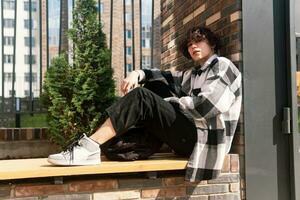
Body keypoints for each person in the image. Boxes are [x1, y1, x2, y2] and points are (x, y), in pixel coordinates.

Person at [47, 26, 242, 182]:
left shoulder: (223, 66)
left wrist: (170, 102)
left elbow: (206, 106)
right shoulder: (192, 74)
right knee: (151, 88)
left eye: (198, 41)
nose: (193, 46)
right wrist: (137, 73)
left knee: (143, 97)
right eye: (190, 44)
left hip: (204, 140)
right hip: (190, 135)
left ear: (212, 43)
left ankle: (87, 147)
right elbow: (161, 75)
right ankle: (103, 145)